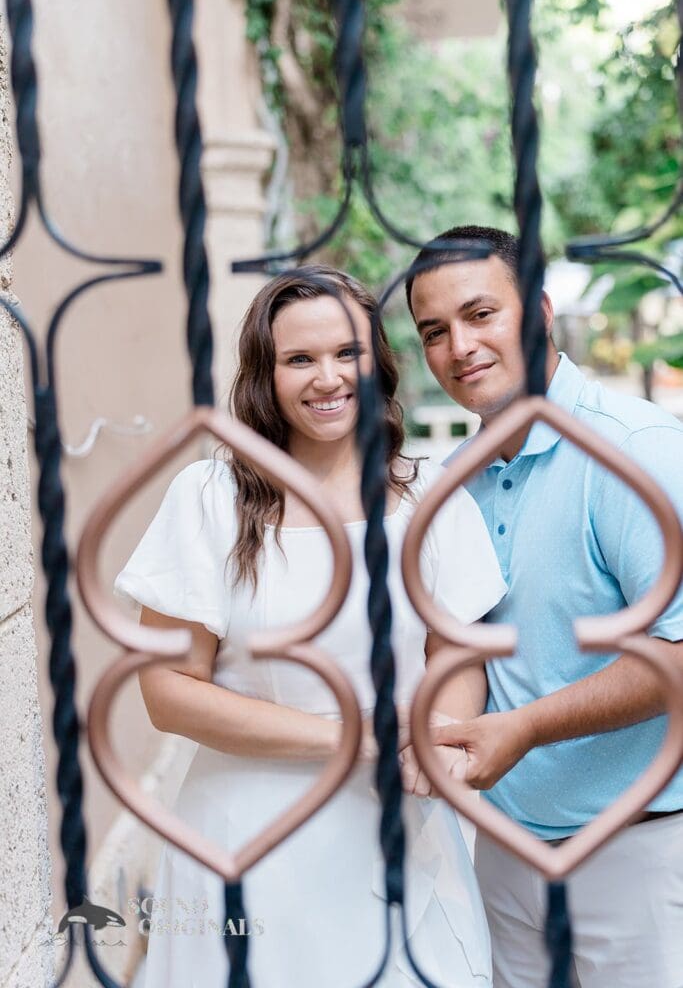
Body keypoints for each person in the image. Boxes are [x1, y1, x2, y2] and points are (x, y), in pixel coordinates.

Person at [114, 264, 507, 988]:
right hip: (247, 838)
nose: (327, 379)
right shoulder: (210, 497)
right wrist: (355, 736)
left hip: (399, 830)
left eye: (345, 354)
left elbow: (457, 656)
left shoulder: (432, 499)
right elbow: (166, 691)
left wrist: (436, 742)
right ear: (266, 375)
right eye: (299, 359)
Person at [406, 225, 683, 988]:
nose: (459, 346)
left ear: (540, 310)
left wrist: (524, 727)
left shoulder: (637, 450)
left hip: (637, 856)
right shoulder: (456, 476)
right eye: (434, 331)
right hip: (501, 851)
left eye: (480, 313)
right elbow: (462, 642)